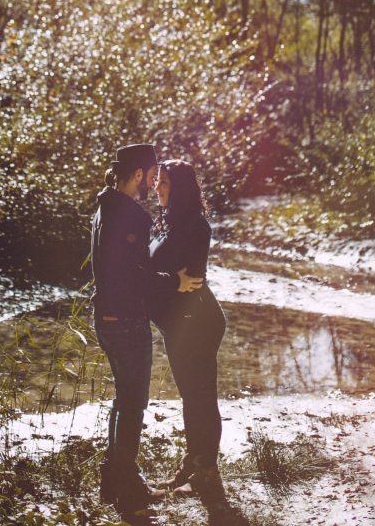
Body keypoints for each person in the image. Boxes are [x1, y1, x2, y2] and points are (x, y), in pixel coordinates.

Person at [91, 144, 202, 515]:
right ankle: (129, 486)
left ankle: (114, 480)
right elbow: (131, 276)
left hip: (105, 318)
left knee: (124, 400)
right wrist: (175, 282)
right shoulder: (129, 215)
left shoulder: (104, 206)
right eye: (152, 175)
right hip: (125, 319)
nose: (154, 184)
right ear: (138, 174)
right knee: (134, 403)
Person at [148, 159, 227, 500]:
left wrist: (161, 281)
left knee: (201, 397)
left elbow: (191, 279)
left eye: (164, 183)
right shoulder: (168, 221)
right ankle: (192, 465)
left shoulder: (194, 225)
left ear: (179, 188)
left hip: (198, 321)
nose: (157, 188)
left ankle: (206, 471)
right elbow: (165, 272)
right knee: (191, 397)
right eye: (157, 181)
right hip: (179, 324)